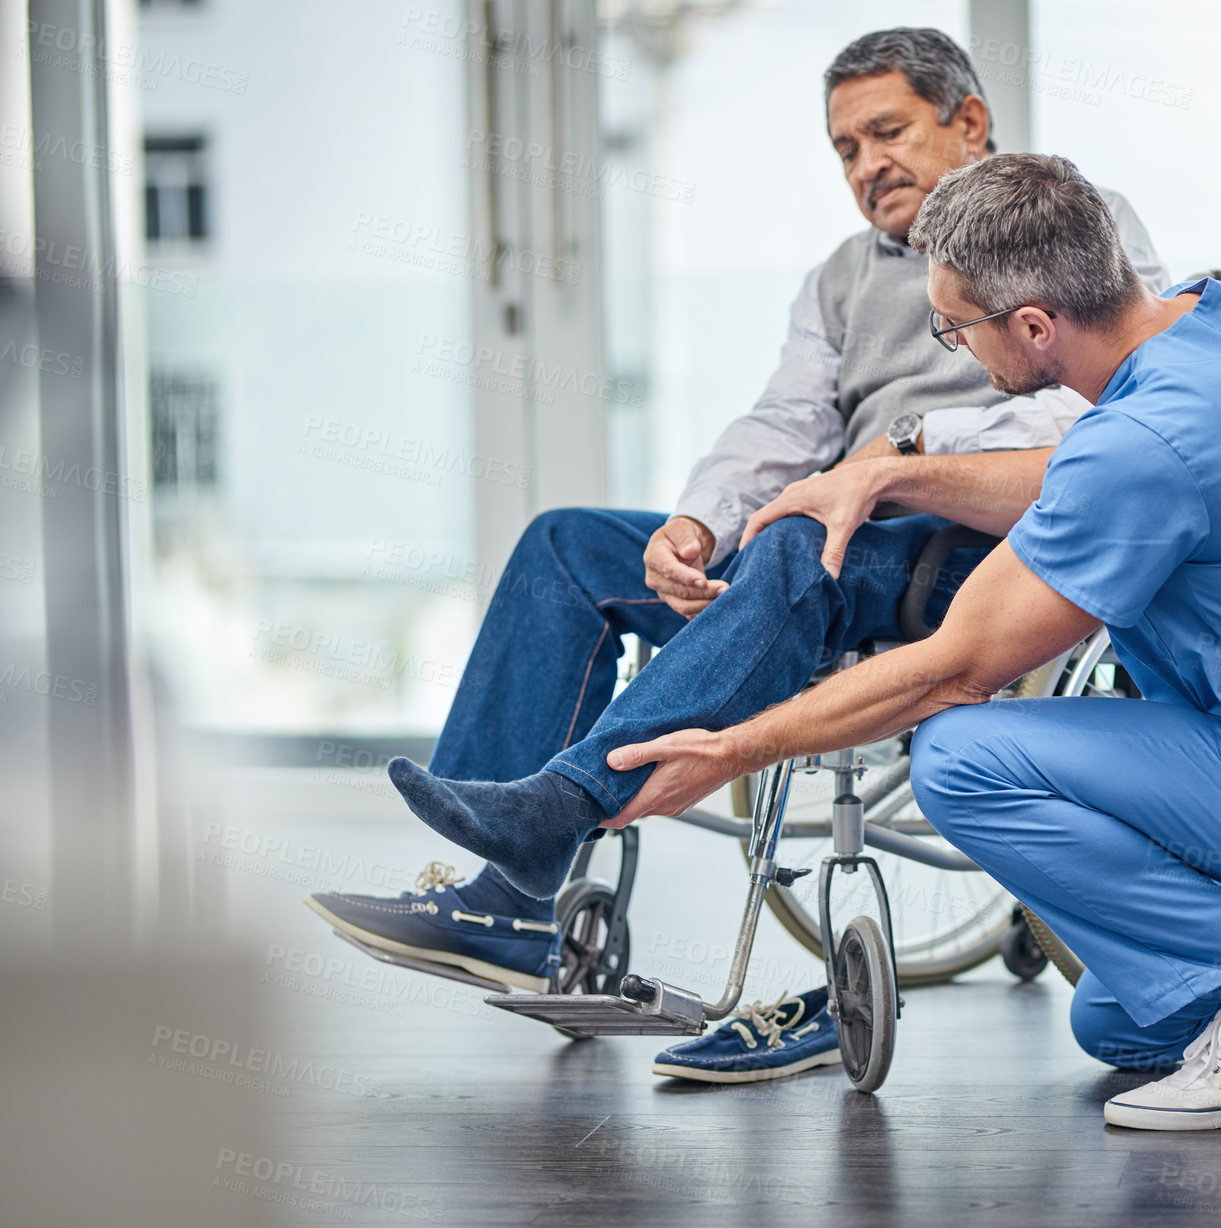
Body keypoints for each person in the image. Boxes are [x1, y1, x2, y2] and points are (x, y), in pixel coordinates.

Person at [599, 154, 1221, 1126]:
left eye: (954, 331)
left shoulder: (1141, 447)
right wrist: (888, 473)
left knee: (959, 754)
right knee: (1123, 1019)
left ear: (1032, 325)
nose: (954, 352)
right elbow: (1088, 470)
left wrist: (732, 747)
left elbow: (958, 665)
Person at [306, 30, 1168, 1080]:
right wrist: (696, 526)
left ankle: (562, 805)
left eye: (886, 132)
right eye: (843, 148)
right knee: (569, 544)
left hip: (953, 556)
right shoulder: (840, 279)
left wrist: (896, 458)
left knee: (802, 531)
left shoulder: (1073, 224)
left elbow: (1108, 409)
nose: (865, 166)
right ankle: (506, 897)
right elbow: (780, 425)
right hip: (814, 545)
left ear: (969, 121)